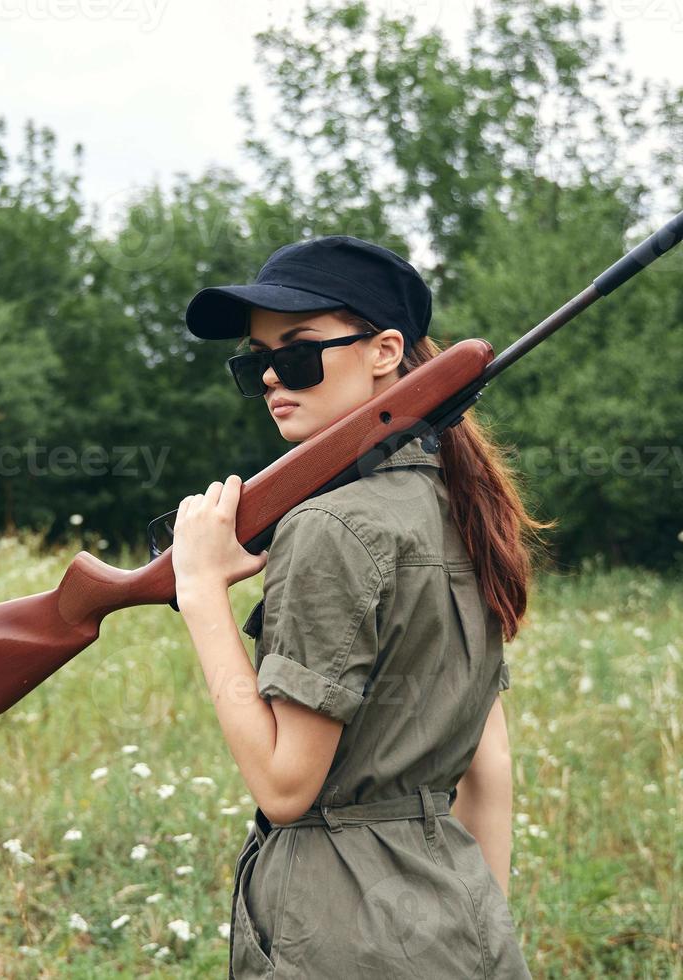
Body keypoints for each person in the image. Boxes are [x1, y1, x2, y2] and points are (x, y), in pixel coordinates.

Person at [170, 235, 549, 978]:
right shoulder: (462, 507)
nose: (275, 375)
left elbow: (285, 787)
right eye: (256, 361)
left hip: (340, 940)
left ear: (384, 351)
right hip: (462, 928)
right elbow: (489, 766)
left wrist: (199, 591)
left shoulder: (328, 526)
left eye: (301, 351)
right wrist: (470, 930)